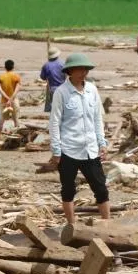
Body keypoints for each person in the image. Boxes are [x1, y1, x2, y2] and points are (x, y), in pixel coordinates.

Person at [48, 52, 110, 227]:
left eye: (86, 69)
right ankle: (72, 226)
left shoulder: (92, 90)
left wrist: (102, 143)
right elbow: (54, 122)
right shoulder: (61, 92)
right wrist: (56, 150)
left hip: (90, 149)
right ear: (70, 71)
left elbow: (97, 118)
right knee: (68, 190)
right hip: (68, 150)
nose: (84, 73)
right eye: (80, 69)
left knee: (101, 189)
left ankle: (108, 225)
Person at [0, 59, 21, 137]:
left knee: (1, 121)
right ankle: (17, 137)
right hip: (14, 101)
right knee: (16, 120)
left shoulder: (1, 77)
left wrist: (7, 98)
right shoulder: (16, 76)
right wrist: (11, 99)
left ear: (5, 67)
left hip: (4, 102)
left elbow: (0, 90)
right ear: (13, 67)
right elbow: (17, 89)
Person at [40, 47, 65, 113]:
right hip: (63, 88)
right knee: (63, 107)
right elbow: (67, 75)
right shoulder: (63, 64)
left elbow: (43, 77)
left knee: (53, 108)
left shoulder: (46, 65)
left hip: (52, 88)